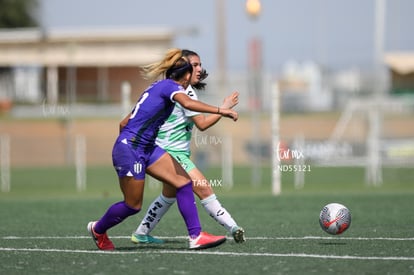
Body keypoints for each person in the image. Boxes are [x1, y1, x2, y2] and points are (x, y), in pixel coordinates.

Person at [87, 48, 238, 251]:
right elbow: (188, 103)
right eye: (193, 69)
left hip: (147, 147)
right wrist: (222, 110)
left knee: (183, 183)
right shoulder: (170, 87)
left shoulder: (159, 87)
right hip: (131, 149)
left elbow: (124, 123)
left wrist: (138, 142)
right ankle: (98, 229)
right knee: (133, 205)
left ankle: (196, 236)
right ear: (185, 75)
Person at [131, 49, 245, 244]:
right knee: (203, 187)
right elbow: (202, 124)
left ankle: (141, 233)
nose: (199, 69)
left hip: (168, 151)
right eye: (194, 65)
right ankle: (233, 227)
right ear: (183, 69)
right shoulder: (183, 91)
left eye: (200, 64)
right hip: (170, 152)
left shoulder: (177, 89)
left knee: (169, 195)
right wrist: (224, 108)